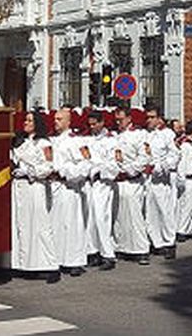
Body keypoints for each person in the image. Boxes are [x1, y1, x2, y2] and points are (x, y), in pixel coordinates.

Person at [10, 112, 60, 283]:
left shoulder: (44, 143)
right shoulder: (21, 142)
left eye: (30, 120)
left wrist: (29, 172)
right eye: (26, 120)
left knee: (41, 226)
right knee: (22, 226)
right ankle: (26, 265)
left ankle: (51, 266)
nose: (26, 123)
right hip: (19, 187)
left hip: (35, 186)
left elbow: (48, 167)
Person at [49, 108, 90, 276]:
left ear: (68, 122)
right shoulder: (51, 140)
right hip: (53, 186)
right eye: (55, 119)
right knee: (55, 224)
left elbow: (86, 164)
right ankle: (56, 259)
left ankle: (75, 261)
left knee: (72, 224)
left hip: (69, 187)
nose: (56, 122)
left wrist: (66, 171)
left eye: (59, 119)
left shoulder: (76, 141)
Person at [112, 107, 150, 264]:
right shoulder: (115, 136)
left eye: (121, 119)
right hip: (117, 182)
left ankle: (141, 249)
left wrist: (130, 170)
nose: (118, 122)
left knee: (134, 216)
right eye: (116, 119)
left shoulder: (139, 135)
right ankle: (122, 247)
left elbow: (145, 158)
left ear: (129, 118)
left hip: (132, 181)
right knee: (119, 217)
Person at [143, 108, 179, 260]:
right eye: (147, 117)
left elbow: (175, 155)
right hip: (147, 178)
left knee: (165, 212)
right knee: (150, 213)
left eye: (152, 117)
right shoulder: (145, 135)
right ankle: (156, 242)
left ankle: (169, 243)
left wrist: (162, 167)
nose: (149, 120)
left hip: (161, 179)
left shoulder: (167, 134)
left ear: (159, 118)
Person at [84, 110, 118, 271]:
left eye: (95, 124)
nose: (92, 127)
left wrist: (100, 169)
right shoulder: (88, 139)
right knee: (90, 218)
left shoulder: (111, 140)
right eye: (90, 124)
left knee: (101, 218)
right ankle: (93, 251)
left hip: (103, 182)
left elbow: (115, 164)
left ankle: (108, 254)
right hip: (89, 182)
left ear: (102, 122)